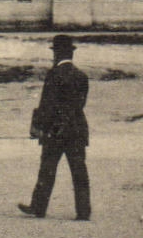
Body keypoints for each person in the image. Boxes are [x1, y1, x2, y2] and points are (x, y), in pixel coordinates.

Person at [19, 34, 91, 220]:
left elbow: (47, 106)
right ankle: (83, 211)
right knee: (79, 171)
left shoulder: (54, 75)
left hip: (56, 132)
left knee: (47, 170)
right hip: (76, 129)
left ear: (57, 54)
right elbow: (79, 105)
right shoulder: (81, 76)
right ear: (71, 54)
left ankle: (38, 207)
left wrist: (40, 128)